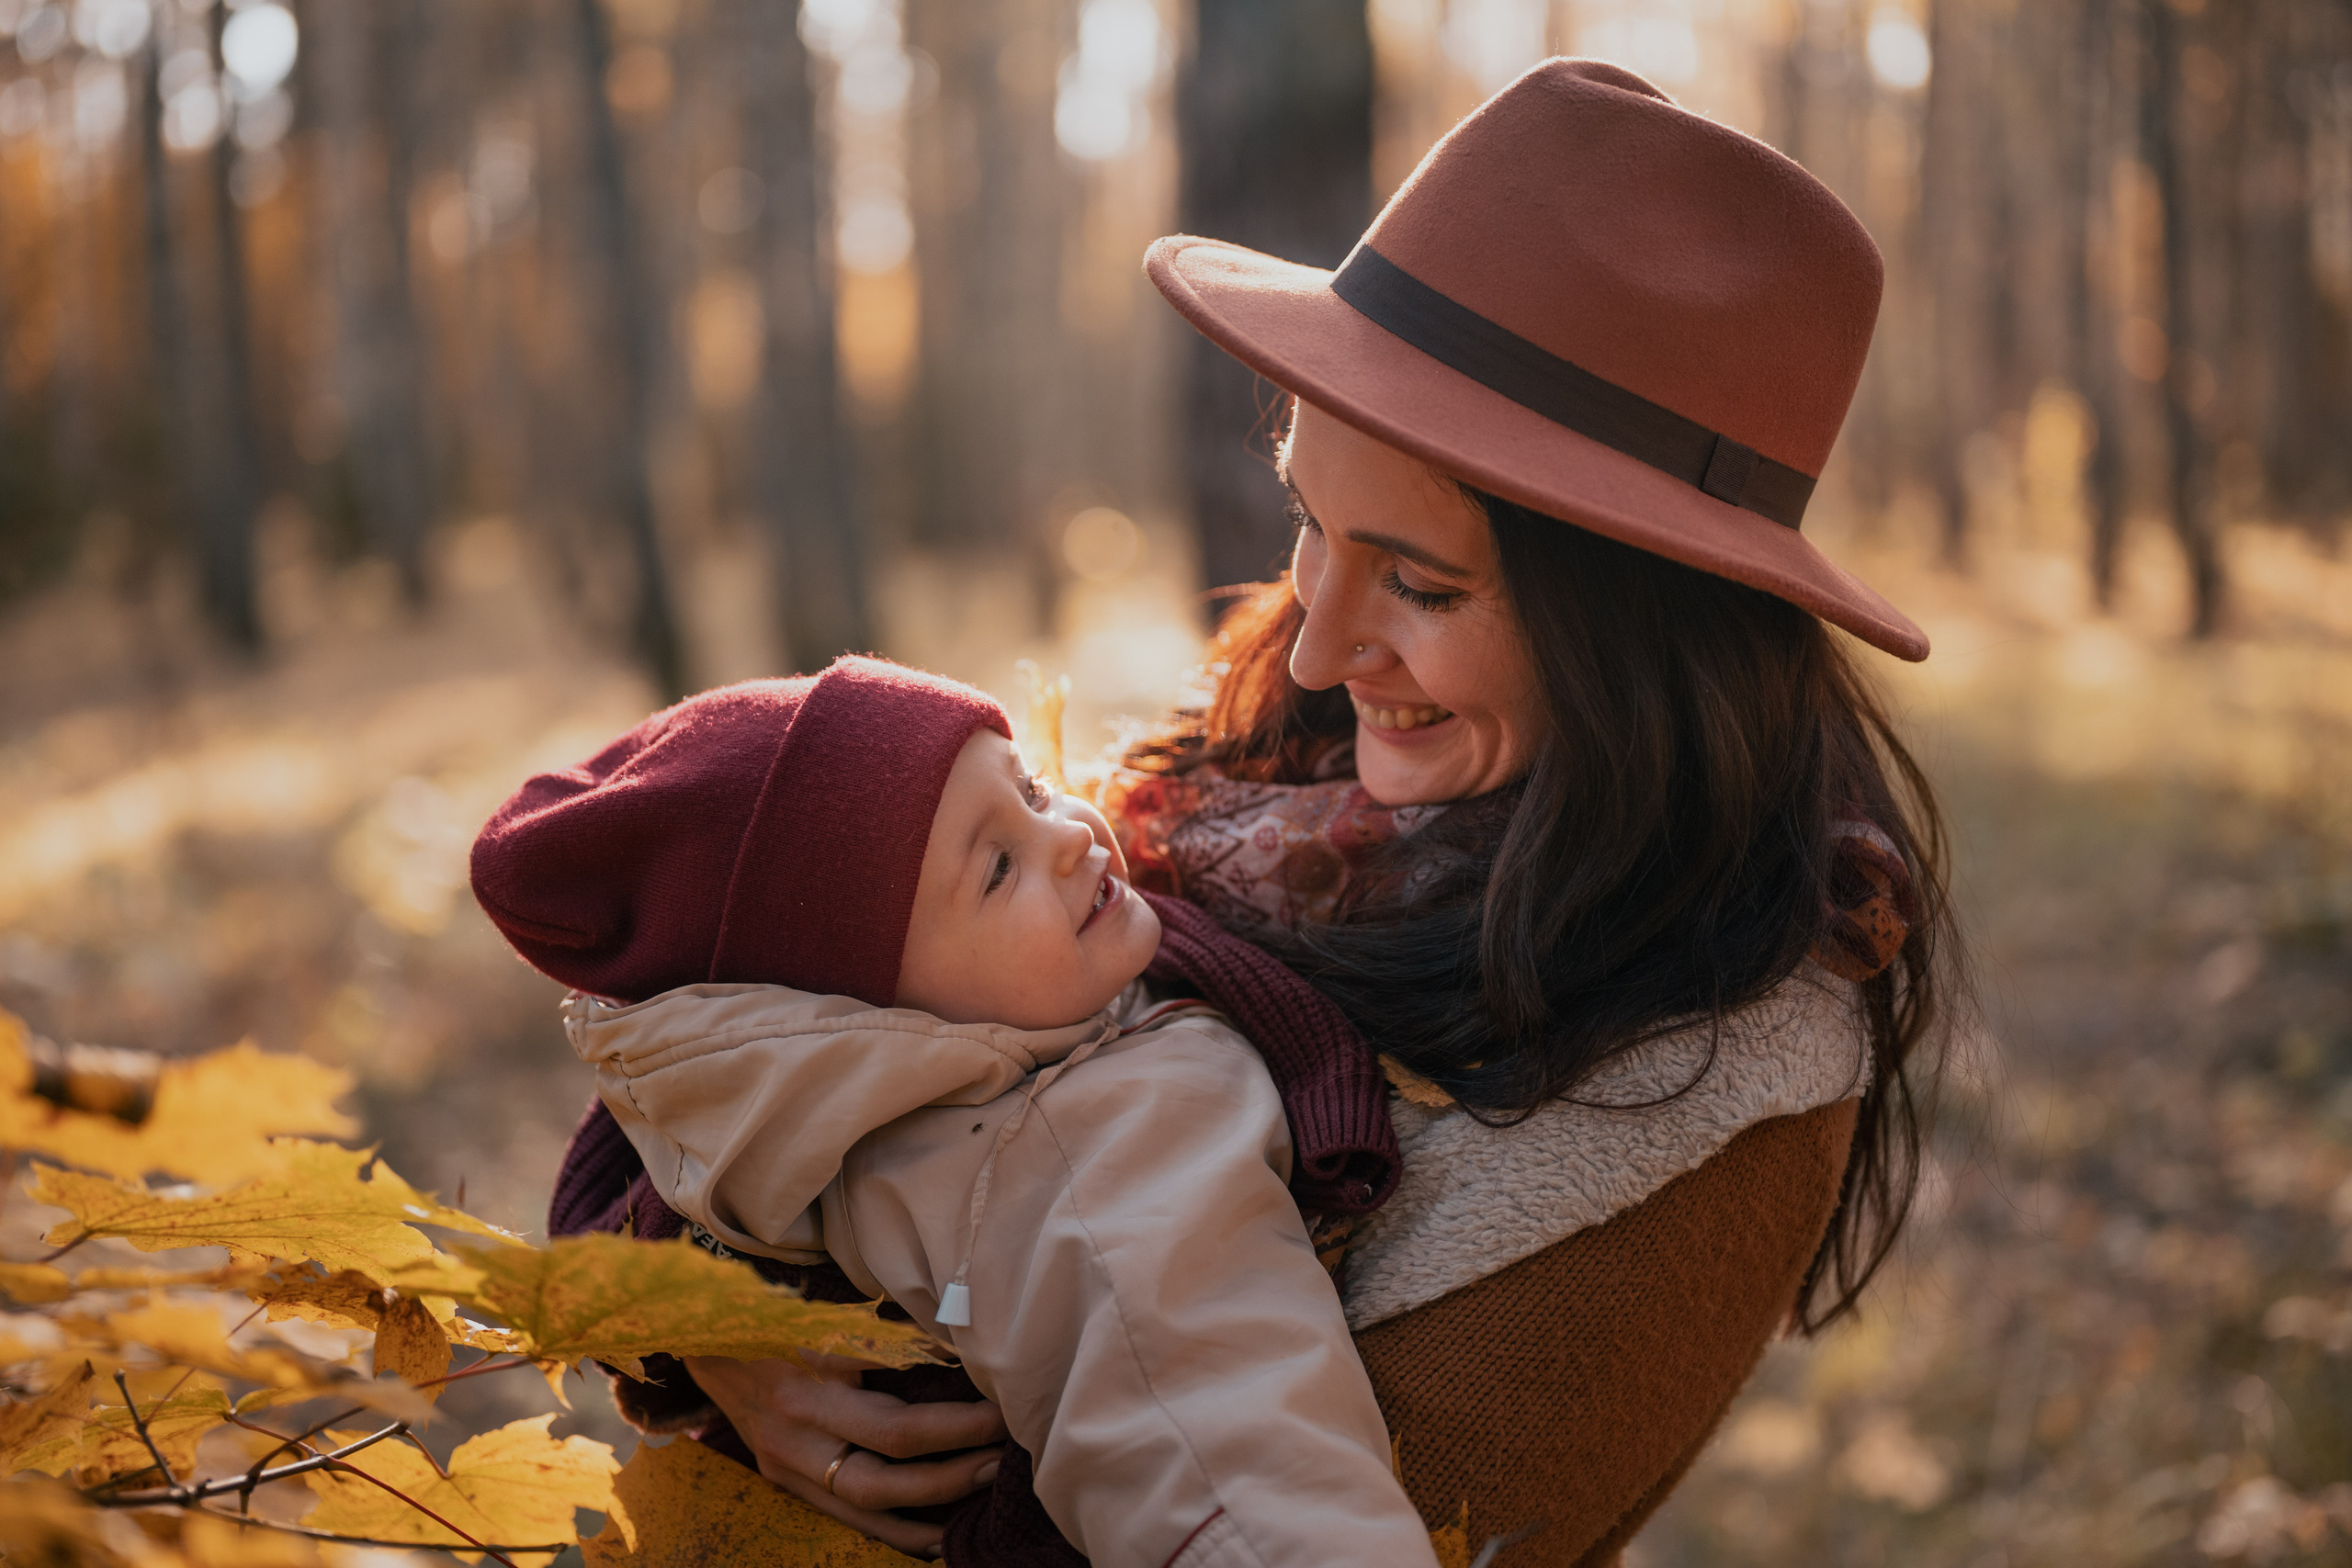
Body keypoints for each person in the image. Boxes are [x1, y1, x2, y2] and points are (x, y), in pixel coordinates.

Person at [552, 56, 1959, 1566]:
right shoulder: (1264, 766)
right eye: (1310, 520)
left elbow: (1293, 1490)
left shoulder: (1724, 1067)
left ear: (1644, 631)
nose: (1314, 647)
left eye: (1420, 583)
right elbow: (768, 1035)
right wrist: (718, 1331)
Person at [470, 657, 1440, 1568]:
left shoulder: (991, 1042)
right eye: (997, 869)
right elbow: (1213, 1441)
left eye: (1032, 790)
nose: (1070, 835)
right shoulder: (1075, 1149)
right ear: (872, 1019)